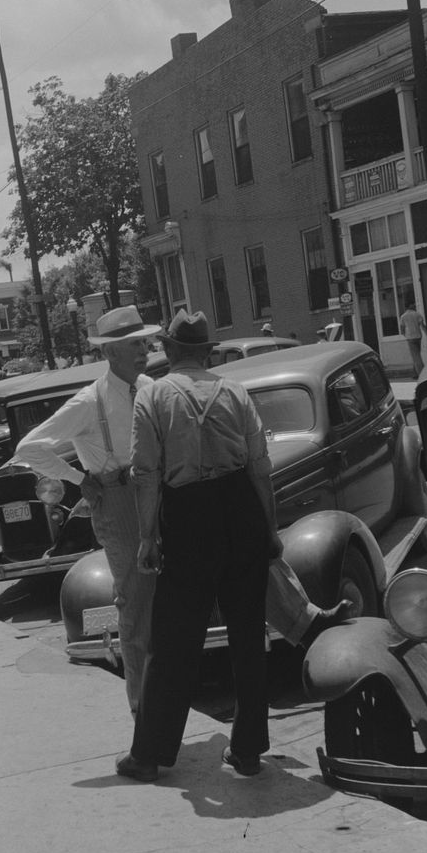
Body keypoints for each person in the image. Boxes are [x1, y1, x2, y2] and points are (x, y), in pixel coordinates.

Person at [115, 310, 349, 784]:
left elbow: (145, 473)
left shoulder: (153, 396)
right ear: (206, 351)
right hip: (240, 506)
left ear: (170, 350)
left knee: (173, 639)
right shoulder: (236, 392)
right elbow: (260, 468)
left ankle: (151, 754)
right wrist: (268, 528)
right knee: (247, 633)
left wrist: (147, 537)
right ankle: (246, 750)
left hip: (187, 515)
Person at [14, 305, 161, 716]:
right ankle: (143, 709)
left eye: (144, 342)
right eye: (133, 345)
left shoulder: (150, 386)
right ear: (110, 352)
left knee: (170, 594)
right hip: (116, 500)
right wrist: (79, 480)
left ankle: (170, 695)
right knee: (134, 600)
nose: (143, 350)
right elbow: (29, 448)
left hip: (155, 493)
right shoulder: (88, 401)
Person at [399, 299, 427, 378]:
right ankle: (415, 373)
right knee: (416, 355)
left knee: (416, 356)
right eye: (413, 304)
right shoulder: (417, 314)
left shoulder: (403, 316)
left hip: (410, 337)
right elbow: (423, 326)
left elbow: (402, 328)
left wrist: (405, 335)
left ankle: (421, 374)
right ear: (410, 305)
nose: (414, 305)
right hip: (418, 336)